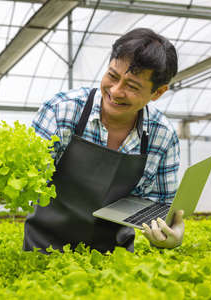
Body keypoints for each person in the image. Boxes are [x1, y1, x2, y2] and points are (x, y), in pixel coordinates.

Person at [23, 28, 184, 254]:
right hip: (43, 248)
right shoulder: (62, 110)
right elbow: (28, 175)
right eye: (112, 76)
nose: (116, 91)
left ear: (157, 93)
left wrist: (173, 235)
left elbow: (163, 208)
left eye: (132, 86)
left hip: (114, 258)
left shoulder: (162, 137)